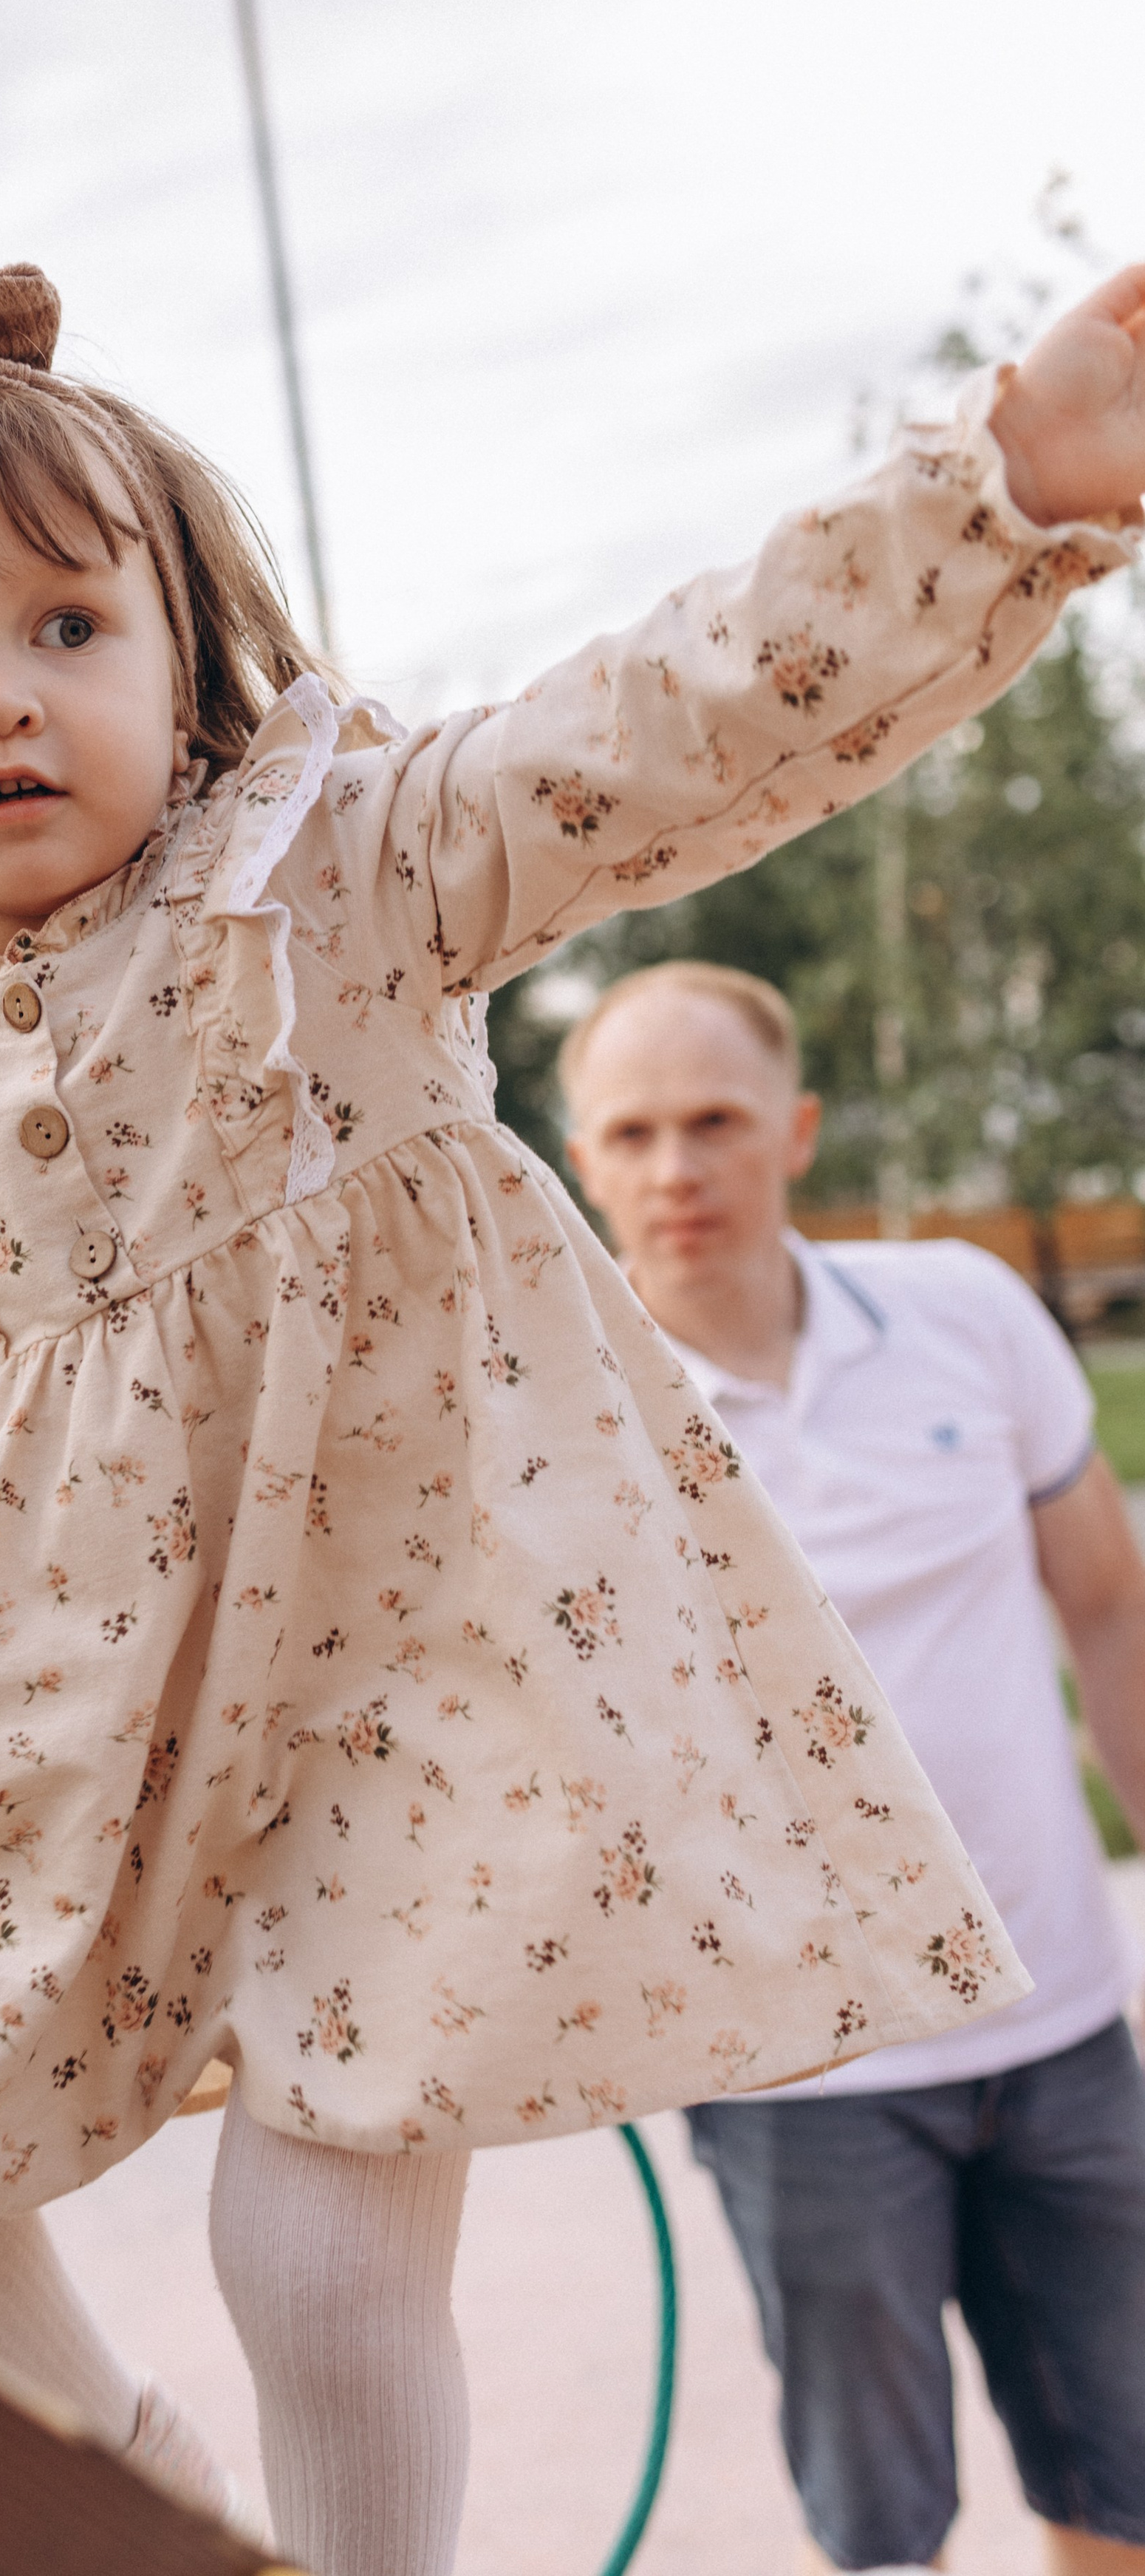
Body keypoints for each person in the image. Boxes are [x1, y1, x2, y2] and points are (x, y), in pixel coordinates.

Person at [0, 258, 1145, 2576]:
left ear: (188, 655)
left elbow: (673, 723)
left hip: (394, 1673)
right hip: (62, 1722)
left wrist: (997, 492)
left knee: (321, 2243)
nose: (2, 704)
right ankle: (135, 2482)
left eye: (68, 629)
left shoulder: (342, 881)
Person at [563, 958, 1145, 2576]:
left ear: (795, 1130)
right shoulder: (556, 1420)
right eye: (631, 1132)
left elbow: (1106, 1606)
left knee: (1121, 2476)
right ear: (579, 1156)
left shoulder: (962, 1314)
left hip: (1061, 2024)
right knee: (879, 2528)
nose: (676, 1170)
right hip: (802, 2075)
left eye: (714, 1123)